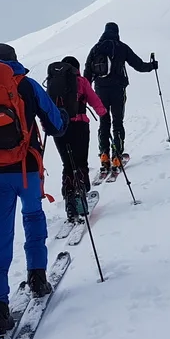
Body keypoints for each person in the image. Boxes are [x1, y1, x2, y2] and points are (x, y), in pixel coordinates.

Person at [0, 42, 68, 336]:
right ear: (15, 61)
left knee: (0, 236)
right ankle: (37, 278)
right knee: (33, 218)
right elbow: (56, 125)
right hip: (27, 170)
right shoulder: (28, 86)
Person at [82, 22, 158, 175]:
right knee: (117, 122)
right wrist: (152, 66)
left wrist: (86, 92)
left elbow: (87, 73)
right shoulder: (121, 47)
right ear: (117, 32)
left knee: (104, 122)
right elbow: (138, 65)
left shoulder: (95, 49)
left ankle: (104, 156)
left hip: (100, 91)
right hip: (117, 90)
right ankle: (117, 157)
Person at [45, 56, 107, 224]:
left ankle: (69, 202)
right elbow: (95, 100)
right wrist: (103, 114)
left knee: (67, 163)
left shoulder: (53, 83)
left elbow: (46, 106)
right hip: (79, 125)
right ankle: (81, 199)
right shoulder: (81, 81)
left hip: (59, 128)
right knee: (80, 162)